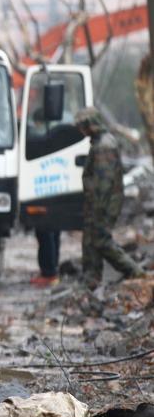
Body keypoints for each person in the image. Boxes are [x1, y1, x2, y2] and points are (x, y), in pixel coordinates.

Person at [75, 107, 144, 289]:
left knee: (101, 240)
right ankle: (91, 279)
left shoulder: (104, 146)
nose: (80, 131)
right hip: (97, 203)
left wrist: (97, 208)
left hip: (103, 204)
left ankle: (134, 271)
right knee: (90, 239)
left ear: (91, 125)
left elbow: (103, 185)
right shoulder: (99, 143)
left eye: (82, 126)